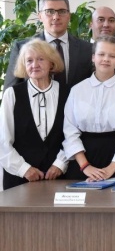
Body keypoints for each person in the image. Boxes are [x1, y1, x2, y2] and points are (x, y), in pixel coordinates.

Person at [63, 35, 115, 181]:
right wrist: (85, 166)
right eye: (101, 54)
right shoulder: (77, 90)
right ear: (93, 57)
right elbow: (69, 130)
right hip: (82, 159)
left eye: (112, 56)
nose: (106, 59)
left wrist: (112, 167)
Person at [0, 40, 67, 190]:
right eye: (29, 60)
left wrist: (60, 164)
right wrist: (24, 169)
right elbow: (2, 140)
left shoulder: (67, 93)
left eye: (40, 59)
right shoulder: (12, 94)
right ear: (23, 65)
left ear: (51, 63)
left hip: (58, 178)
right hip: (18, 180)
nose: (34, 65)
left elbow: (73, 135)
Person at [4, 0, 92, 98]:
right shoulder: (22, 48)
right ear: (40, 16)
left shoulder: (87, 49)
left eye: (62, 11)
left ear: (69, 16)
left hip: (77, 107)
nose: (56, 17)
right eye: (49, 12)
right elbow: (10, 93)